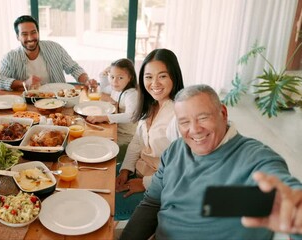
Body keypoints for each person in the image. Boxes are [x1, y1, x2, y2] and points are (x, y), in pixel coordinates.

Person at [119, 84, 302, 240]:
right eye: (184, 122)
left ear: (223, 113)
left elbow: (286, 194)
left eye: (203, 118)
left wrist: (295, 213)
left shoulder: (256, 159)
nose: (195, 130)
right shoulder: (176, 150)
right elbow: (152, 203)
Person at [114, 49, 185, 220]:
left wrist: (144, 184)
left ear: (174, 77)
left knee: (105, 206)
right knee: (96, 183)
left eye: (162, 76)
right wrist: (125, 169)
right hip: (138, 170)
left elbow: (181, 168)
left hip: (160, 185)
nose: (154, 83)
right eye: (148, 77)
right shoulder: (150, 103)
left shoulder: (179, 115)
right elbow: (137, 142)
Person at [0, 15, 96, 91]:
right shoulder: (10, 57)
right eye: (24, 34)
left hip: (58, 99)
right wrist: (24, 83)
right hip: (28, 103)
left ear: (38, 33)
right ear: (18, 37)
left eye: (33, 32)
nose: (30, 38)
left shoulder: (54, 48)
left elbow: (74, 68)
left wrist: (87, 80)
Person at [86, 58, 138, 146]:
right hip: (116, 128)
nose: (114, 81)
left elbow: (130, 116)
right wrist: (103, 74)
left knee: (97, 143)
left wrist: (104, 117)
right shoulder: (118, 88)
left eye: (120, 77)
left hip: (127, 136)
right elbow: (104, 89)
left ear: (130, 78)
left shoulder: (131, 94)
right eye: (112, 77)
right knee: (92, 136)